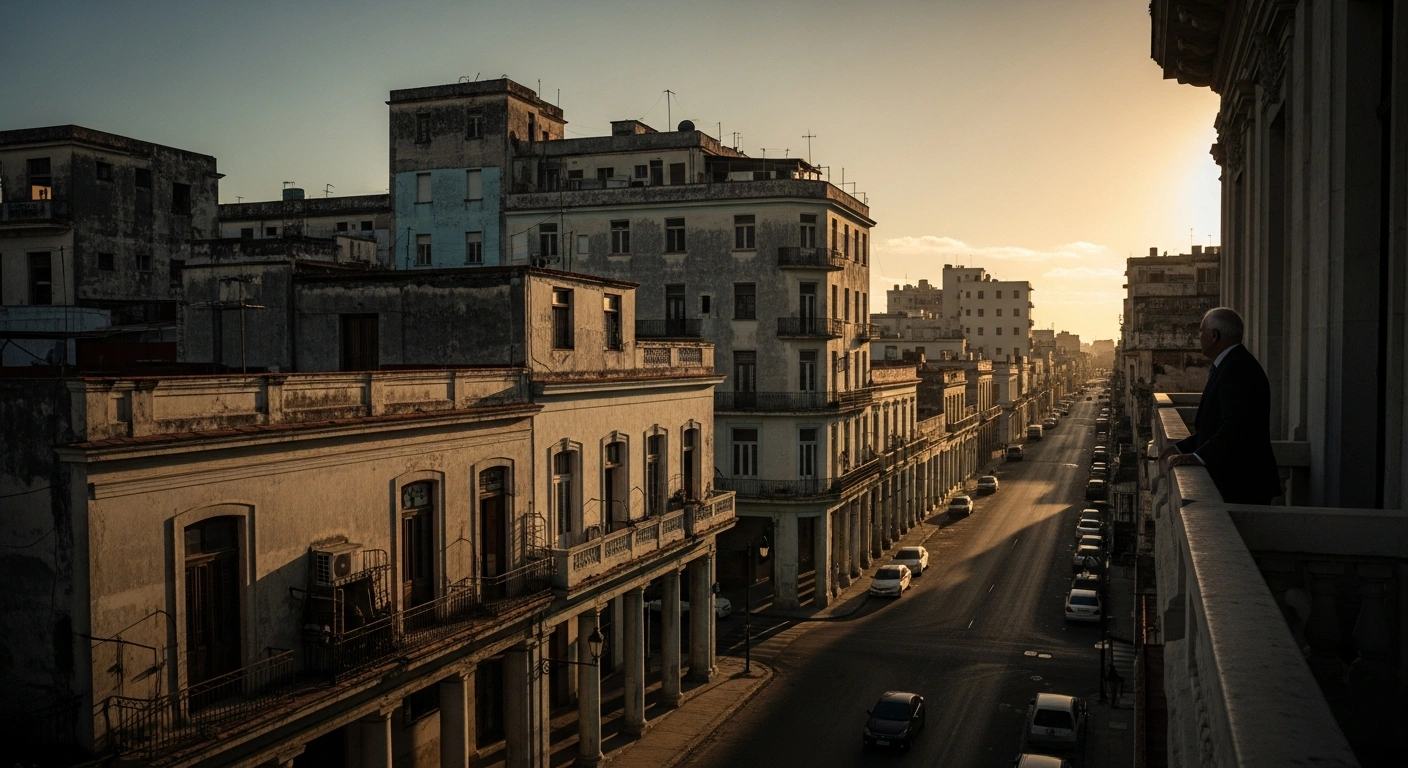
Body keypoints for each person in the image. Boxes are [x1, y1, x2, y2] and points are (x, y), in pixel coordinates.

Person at [1158, 307, 1282, 504]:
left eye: (1201, 331)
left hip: (1241, 485)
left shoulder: (1238, 368)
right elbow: (1214, 426)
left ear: (1214, 335)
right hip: (1234, 482)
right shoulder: (1228, 365)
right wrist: (1180, 448)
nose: (1198, 336)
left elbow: (1237, 427)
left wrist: (1197, 457)